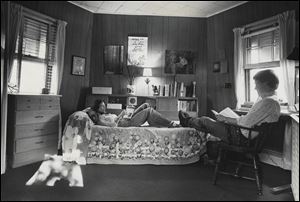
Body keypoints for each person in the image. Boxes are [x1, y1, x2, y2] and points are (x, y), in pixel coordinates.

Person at [179, 69, 281, 143]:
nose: (255, 88)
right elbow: (249, 121)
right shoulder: (271, 100)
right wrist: (231, 119)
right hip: (243, 133)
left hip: (240, 137)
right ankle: (190, 124)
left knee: (205, 120)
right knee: (207, 123)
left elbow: (245, 123)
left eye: (257, 84)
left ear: (266, 84)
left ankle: (187, 121)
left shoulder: (268, 102)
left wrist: (225, 118)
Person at [86, 100, 180, 128]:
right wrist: (120, 116)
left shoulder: (104, 114)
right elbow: (114, 125)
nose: (104, 107)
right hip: (127, 123)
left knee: (146, 105)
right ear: (97, 108)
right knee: (149, 110)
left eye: (104, 105)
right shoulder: (99, 119)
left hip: (127, 118)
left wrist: (123, 114)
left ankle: (155, 122)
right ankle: (170, 123)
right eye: (101, 106)